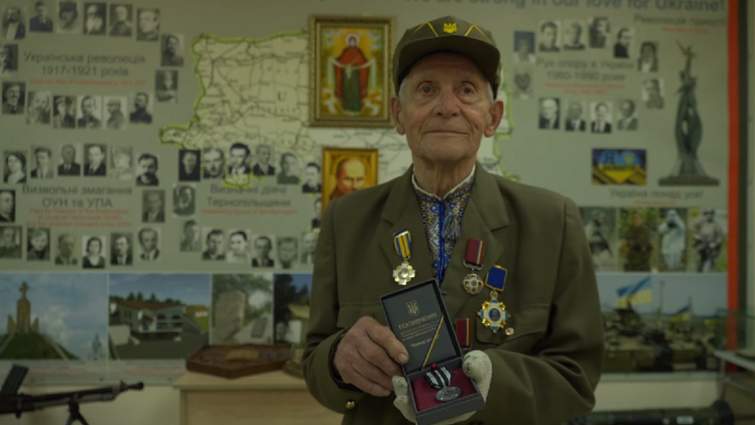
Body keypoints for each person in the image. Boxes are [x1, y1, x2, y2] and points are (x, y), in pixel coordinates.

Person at [303, 16, 602, 425]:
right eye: (427, 89)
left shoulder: (553, 221)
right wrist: (338, 362)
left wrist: (495, 383)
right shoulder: (347, 220)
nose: (447, 107)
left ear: (492, 117)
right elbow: (313, 363)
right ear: (398, 114)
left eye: (467, 90)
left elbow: (577, 380)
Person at [334, 33, 369, 114]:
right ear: (349, 42)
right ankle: (346, 106)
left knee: (355, 91)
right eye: (351, 41)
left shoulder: (359, 51)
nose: (352, 43)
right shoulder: (345, 51)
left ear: (356, 42)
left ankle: (356, 107)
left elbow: (363, 62)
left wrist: (358, 66)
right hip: (346, 75)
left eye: (353, 41)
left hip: (355, 76)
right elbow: (340, 61)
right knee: (347, 90)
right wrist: (340, 64)